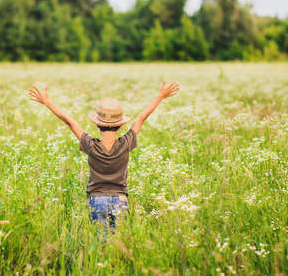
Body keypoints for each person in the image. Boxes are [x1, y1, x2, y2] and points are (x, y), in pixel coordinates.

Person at [29, 81, 179, 229]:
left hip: (97, 199)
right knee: (118, 242)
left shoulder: (91, 145)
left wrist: (47, 102)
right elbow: (141, 119)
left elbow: (70, 122)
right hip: (120, 199)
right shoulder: (126, 143)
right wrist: (160, 96)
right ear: (121, 125)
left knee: (101, 243)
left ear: (96, 124)